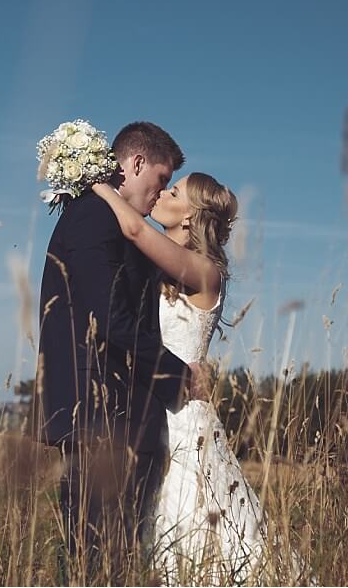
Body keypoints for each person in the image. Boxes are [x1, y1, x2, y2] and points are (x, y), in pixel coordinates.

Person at [92, 173, 310, 585]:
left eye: (173, 192)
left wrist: (96, 185)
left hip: (184, 419)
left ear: (190, 217)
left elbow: (135, 227)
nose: (162, 193)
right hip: (151, 412)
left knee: (192, 520)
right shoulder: (155, 268)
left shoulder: (206, 272)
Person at [32, 122, 206, 583]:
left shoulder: (119, 223)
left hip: (121, 418)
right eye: (161, 181)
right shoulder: (93, 216)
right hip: (98, 415)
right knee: (96, 558)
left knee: (117, 557)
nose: (160, 193)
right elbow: (108, 317)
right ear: (136, 164)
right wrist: (180, 374)